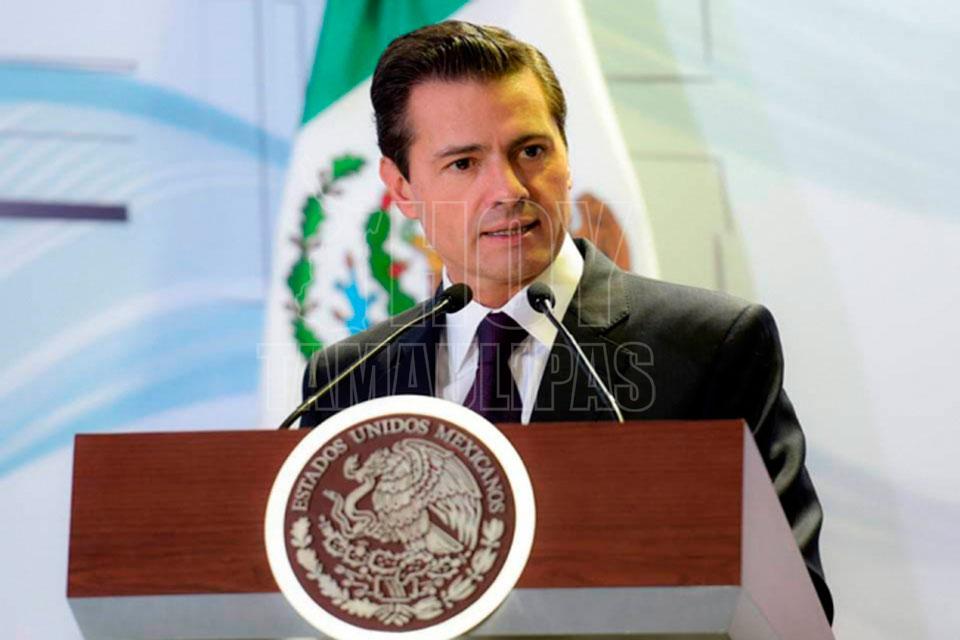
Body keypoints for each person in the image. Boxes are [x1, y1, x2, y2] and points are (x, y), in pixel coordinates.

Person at [300, 20, 833, 622]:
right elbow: (315, 599)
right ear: (401, 188)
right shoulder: (347, 379)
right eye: (464, 163)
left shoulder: (709, 345)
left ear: (567, 155)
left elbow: (792, 607)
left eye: (531, 151)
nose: (508, 189)